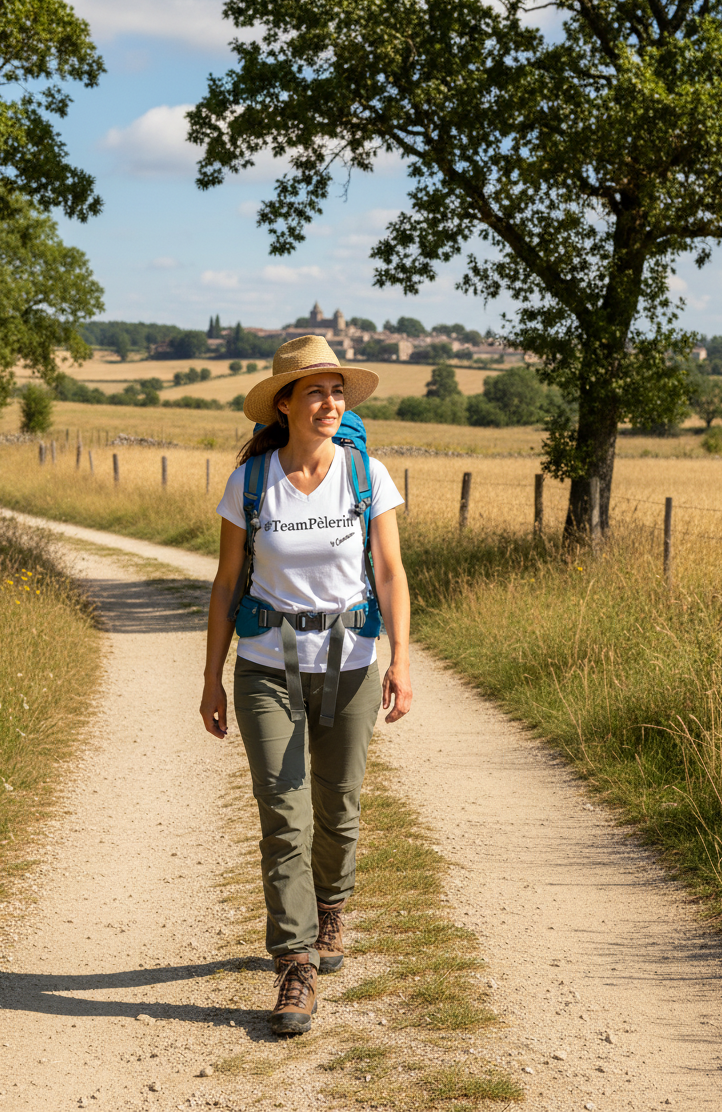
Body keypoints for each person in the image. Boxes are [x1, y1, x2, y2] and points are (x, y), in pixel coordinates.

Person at [199, 334, 412, 1036]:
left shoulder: (366, 474)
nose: (330, 402)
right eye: (316, 390)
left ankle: (330, 910)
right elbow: (228, 582)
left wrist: (402, 662)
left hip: (351, 664)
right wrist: (212, 678)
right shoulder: (251, 483)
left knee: (339, 807)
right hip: (266, 666)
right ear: (284, 403)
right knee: (282, 817)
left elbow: (389, 573)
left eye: (338, 390)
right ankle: (294, 963)